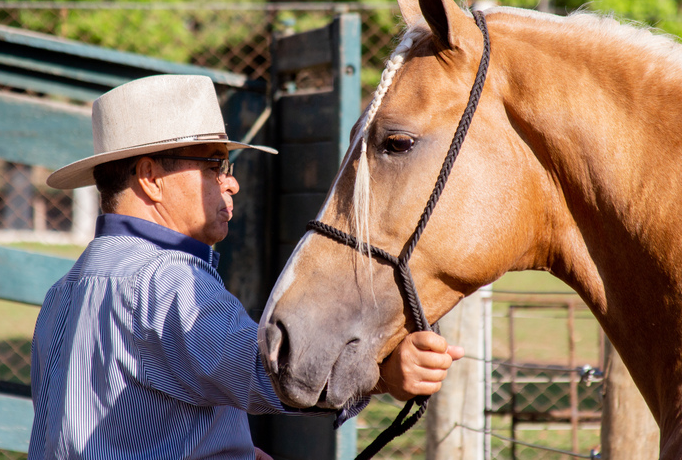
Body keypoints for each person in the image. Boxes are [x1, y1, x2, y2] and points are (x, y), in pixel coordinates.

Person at [29, 74, 464, 460]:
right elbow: (273, 370)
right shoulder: (167, 279)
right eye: (214, 164)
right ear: (150, 177)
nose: (231, 181)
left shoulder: (64, 292)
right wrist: (383, 374)